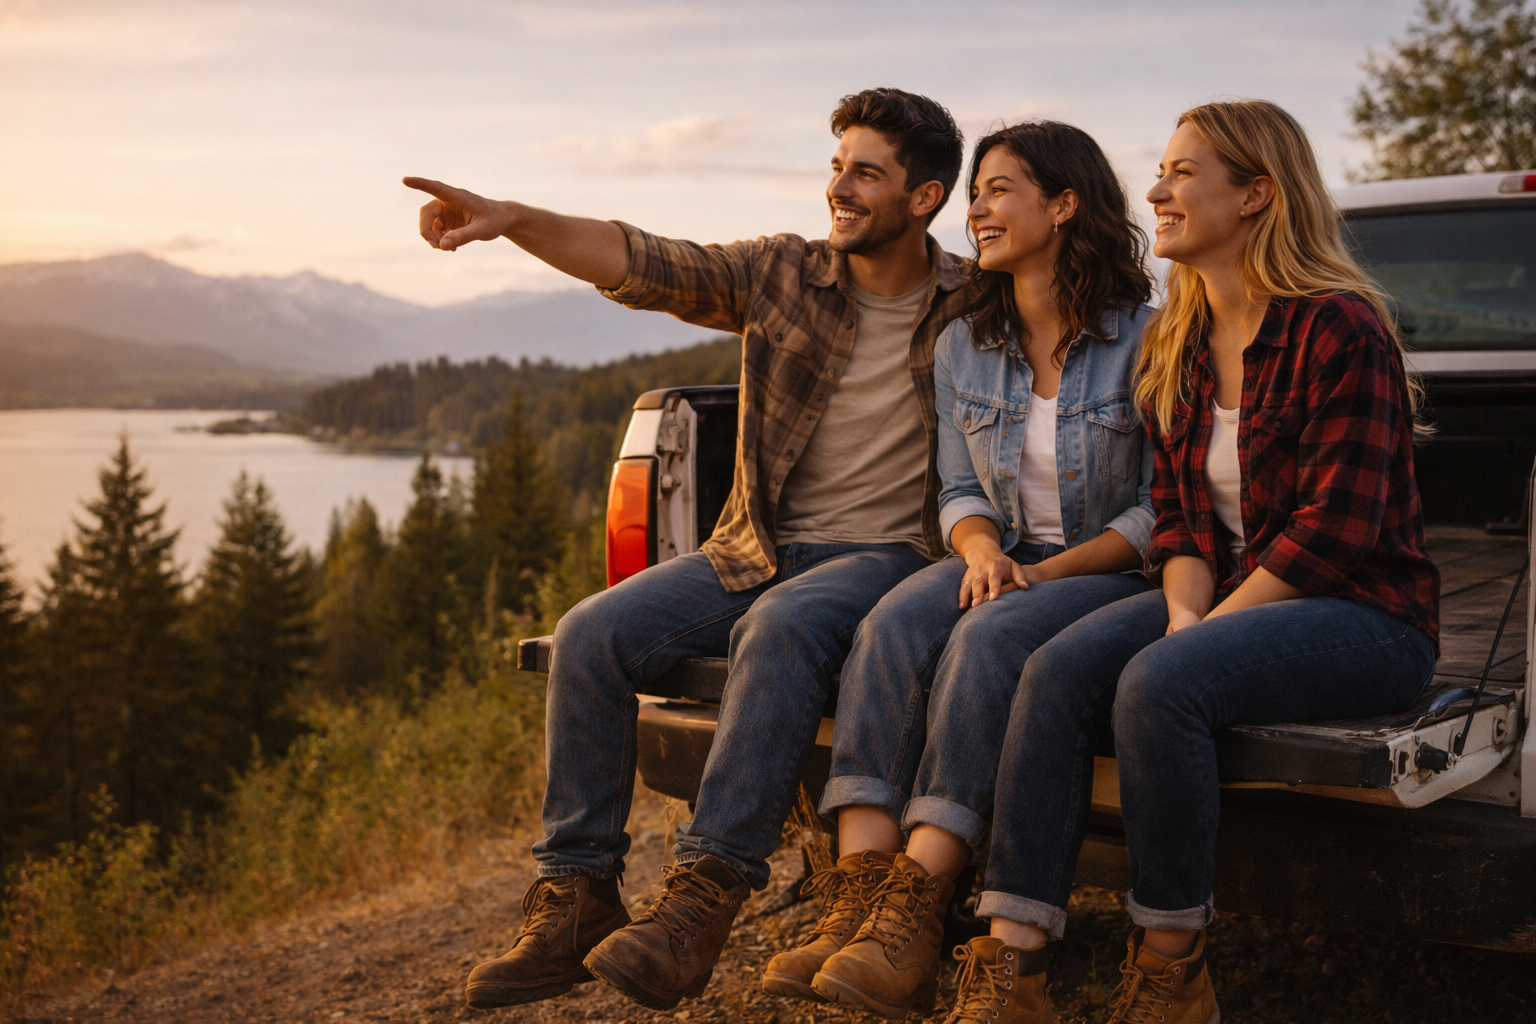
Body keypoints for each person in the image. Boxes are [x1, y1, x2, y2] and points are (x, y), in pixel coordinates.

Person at [405, 88, 973, 1013]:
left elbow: (1083, 311)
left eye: (866, 172)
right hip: (756, 547)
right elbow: (641, 260)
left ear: (924, 197)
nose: (840, 187)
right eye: (836, 167)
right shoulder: (783, 273)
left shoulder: (976, 302)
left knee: (783, 627)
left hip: (893, 556)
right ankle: (576, 897)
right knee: (589, 635)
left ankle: (705, 895)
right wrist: (513, 222)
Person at [969, 100, 1440, 1024]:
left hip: (1364, 615)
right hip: (1229, 598)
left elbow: (1332, 532)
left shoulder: (1340, 328)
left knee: (1158, 685)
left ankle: (1172, 968)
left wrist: (1193, 644)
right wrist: (1186, 617)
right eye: (1165, 171)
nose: (1158, 190)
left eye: (1183, 173)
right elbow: (1183, 525)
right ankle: (1012, 965)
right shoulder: (1180, 343)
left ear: (1256, 194)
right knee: (1053, 669)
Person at [757, 120, 1156, 1021]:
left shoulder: (1148, 340)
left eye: (999, 189)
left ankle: (920, 904)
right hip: (1001, 554)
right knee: (893, 621)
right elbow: (955, 485)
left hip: (1107, 569)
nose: (975, 209)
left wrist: (1042, 579)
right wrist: (979, 549)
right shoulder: (964, 343)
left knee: (986, 635)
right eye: (974, 192)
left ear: (1063, 205)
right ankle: (859, 900)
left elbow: (1160, 510)